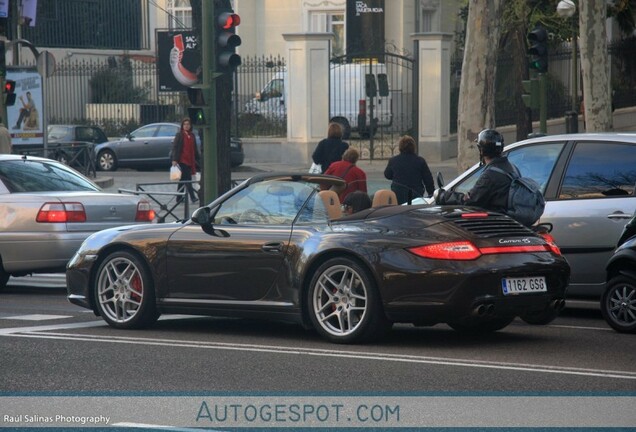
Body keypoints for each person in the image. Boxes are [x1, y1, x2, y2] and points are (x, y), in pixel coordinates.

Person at [437, 128, 515, 214]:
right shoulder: (511, 168)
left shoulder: (490, 175)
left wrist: (443, 196)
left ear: (481, 150)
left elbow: (470, 200)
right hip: (508, 221)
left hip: (495, 223)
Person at [383, 135, 434, 204]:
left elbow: (387, 175)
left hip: (398, 195)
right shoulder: (420, 161)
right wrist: (432, 195)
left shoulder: (393, 161)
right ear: (413, 147)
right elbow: (428, 181)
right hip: (415, 195)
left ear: (400, 147)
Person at [171, 117, 201, 204]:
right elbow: (175, 147)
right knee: (188, 178)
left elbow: (194, 148)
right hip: (182, 160)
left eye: (188, 124)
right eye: (185, 124)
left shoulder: (192, 135)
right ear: (182, 126)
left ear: (190, 126)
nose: (186, 126)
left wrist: (198, 159)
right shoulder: (180, 135)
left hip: (190, 160)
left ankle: (179, 197)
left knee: (182, 180)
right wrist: (174, 159)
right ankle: (193, 197)